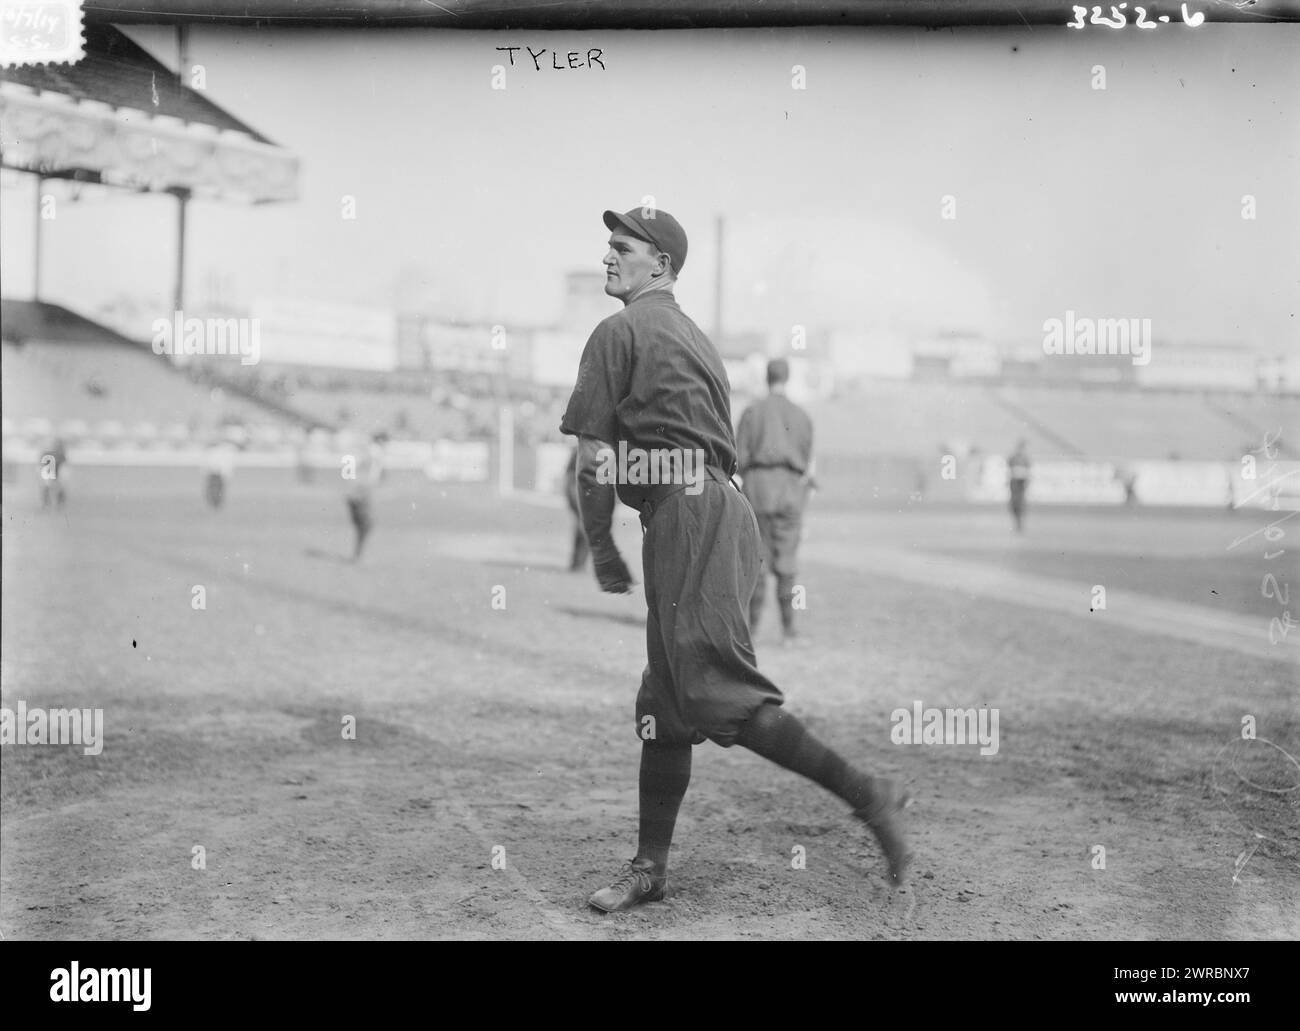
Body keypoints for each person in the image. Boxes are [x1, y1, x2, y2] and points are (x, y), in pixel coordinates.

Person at [561, 205, 912, 913]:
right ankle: (650, 868)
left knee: (714, 691)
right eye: (607, 246)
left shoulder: (617, 331)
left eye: (620, 247)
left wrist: (600, 546)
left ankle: (867, 795)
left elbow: (595, 458)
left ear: (658, 263)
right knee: (665, 704)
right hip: (712, 509)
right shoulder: (692, 335)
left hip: (691, 514)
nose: (607, 257)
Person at [736, 358, 814, 644]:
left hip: (757, 490)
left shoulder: (752, 412)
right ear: (787, 377)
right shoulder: (801, 416)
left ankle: (751, 632)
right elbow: (805, 461)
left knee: (757, 563)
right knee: (787, 564)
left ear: (766, 378)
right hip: (790, 492)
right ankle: (789, 631)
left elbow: (739, 457)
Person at [345, 432, 387, 561]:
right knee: (366, 525)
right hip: (362, 491)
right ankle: (358, 555)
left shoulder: (369, 450)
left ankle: (357, 554)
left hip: (358, 490)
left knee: (363, 525)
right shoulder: (374, 451)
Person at [563, 445, 590, 572]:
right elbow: (570, 477)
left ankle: (579, 564)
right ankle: (577, 564)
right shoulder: (580, 448)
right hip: (577, 493)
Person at [1007, 439, 1031, 532]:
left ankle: (1019, 524)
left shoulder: (1025, 458)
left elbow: (1027, 470)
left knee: (1019, 504)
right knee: (1014, 504)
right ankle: (1017, 524)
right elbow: (1009, 466)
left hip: (1020, 483)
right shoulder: (1014, 457)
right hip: (1014, 483)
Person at [39, 437, 68, 509]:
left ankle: (58, 502)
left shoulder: (60, 453)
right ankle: (46, 503)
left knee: (57, 486)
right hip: (48, 471)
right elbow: (42, 463)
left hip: (55, 471)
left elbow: (63, 464)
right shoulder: (48, 453)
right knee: (48, 486)